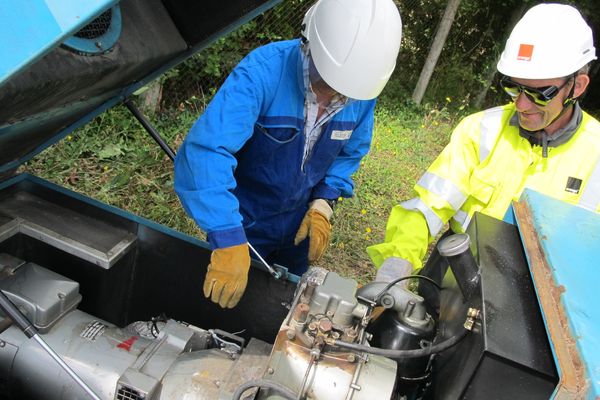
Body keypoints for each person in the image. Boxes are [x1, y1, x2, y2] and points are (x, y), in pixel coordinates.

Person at [175, 0, 402, 308]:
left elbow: (349, 153)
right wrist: (227, 235)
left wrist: (324, 202)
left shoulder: (361, 93)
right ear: (309, 44)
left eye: (344, 90)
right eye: (328, 82)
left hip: (299, 226)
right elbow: (207, 152)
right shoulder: (262, 73)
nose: (334, 96)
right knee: (226, 305)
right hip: (246, 222)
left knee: (282, 308)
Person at [367, 3, 600, 285]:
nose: (522, 104)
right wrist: (394, 268)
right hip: (453, 279)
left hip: (537, 306)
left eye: (540, 94)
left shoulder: (596, 156)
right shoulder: (481, 130)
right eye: (514, 87)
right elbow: (429, 206)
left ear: (577, 86)